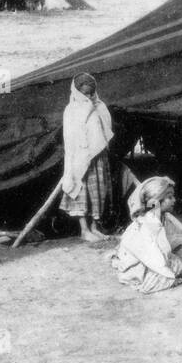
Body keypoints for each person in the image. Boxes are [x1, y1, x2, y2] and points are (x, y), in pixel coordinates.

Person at [111, 176, 182, 293]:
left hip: (154, 256)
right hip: (140, 264)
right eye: (170, 197)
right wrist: (173, 272)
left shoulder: (162, 217)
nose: (174, 200)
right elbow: (153, 256)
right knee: (168, 275)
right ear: (156, 201)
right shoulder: (146, 224)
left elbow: (168, 242)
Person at [60, 72, 114, 241]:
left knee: (98, 191)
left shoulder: (99, 106)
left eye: (91, 92)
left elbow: (104, 130)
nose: (89, 96)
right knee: (82, 191)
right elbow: (70, 138)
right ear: (77, 92)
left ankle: (94, 227)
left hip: (98, 156)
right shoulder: (71, 110)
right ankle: (84, 230)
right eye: (85, 93)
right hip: (80, 157)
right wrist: (80, 155)